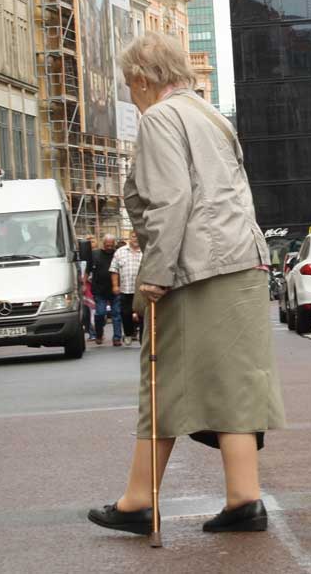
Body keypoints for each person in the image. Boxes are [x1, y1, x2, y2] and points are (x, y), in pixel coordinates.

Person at [88, 32, 286, 536]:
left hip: (195, 266)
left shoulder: (159, 118)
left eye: (129, 85)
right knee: (236, 383)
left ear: (140, 79)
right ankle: (244, 498)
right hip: (243, 261)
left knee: (163, 378)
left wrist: (152, 276)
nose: (130, 95)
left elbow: (171, 201)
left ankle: (137, 501)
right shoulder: (211, 115)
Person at [110, 231, 143, 345]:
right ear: (130, 237)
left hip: (141, 290)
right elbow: (114, 270)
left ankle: (143, 338)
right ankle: (128, 333)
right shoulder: (120, 252)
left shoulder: (145, 251)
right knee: (126, 313)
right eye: (133, 236)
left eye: (138, 237)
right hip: (126, 289)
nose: (136, 239)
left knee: (142, 314)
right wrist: (115, 285)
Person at [90, 234, 122, 346]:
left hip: (115, 289)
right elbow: (87, 270)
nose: (109, 247)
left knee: (116, 314)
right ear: (103, 244)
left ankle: (117, 338)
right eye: (107, 245)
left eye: (111, 245)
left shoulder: (118, 254)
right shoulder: (94, 254)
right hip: (99, 290)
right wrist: (84, 282)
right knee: (100, 313)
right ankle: (99, 334)